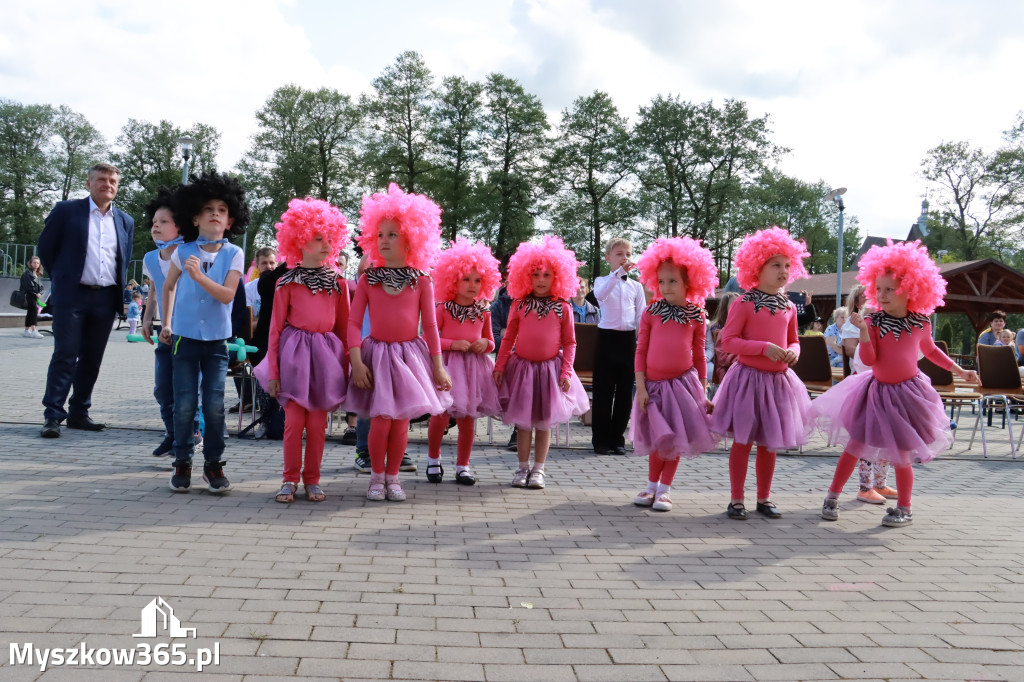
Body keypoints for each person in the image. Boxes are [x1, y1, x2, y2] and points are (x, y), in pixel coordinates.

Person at [815, 240, 979, 527]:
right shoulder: (874, 320)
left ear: (912, 288)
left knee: (902, 453)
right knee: (855, 444)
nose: (882, 294)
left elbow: (930, 351)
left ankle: (905, 508)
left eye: (890, 289)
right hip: (876, 392)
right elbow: (869, 359)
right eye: (879, 288)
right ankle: (832, 496)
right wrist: (864, 331)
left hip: (908, 393)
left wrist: (959, 370)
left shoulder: (921, 322)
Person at [346, 184, 453, 502]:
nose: (384, 240)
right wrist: (355, 360)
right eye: (380, 235)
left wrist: (438, 366)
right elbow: (353, 322)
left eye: (392, 234)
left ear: (412, 237)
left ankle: (394, 477)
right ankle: (376, 477)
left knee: (401, 422)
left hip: (409, 358)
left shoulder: (422, 280)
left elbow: (431, 326)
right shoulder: (368, 279)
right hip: (375, 356)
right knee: (379, 422)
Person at [711, 226, 813, 520]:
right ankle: (736, 499)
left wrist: (795, 351)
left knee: (770, 443)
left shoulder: (789, 307)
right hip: (748, 381)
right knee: (743, 441)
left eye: (787, 266)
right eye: (776, 265)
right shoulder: (744, 303)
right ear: (757, 266)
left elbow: (794, 338)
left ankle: (764, 498)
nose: (783, 271)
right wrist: (762, 347)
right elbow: (727, 341)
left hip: (779, 383)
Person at [253, 198, 351, 503]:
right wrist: (274, 372)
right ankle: (289, 478)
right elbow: (275, 330)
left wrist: (347, 367)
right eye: (318, 238)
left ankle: (312, 479)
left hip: (325, 360)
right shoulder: (286, 282)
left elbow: (345, 329)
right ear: (299, 239)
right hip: (294, 357)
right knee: (294, 423)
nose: (326, 245)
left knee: (319, 424)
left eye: (329, 240)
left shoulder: (339, 283)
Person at [159, 172, 249, 494]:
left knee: (213, 403)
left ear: (230, 220)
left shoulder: (234, 254)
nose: (215, 213)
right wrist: (165, 321)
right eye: (208, 208)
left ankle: (213, 464)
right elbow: (167, 287)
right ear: (194, 217)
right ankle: (182, 460)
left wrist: (197, 277)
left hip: (216, 342)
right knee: (183, 403)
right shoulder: (183, 252)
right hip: (183, 337)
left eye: (222, 209)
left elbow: (227, 295)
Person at [37, 163, 135, 438]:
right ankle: (53, 415)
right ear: (89, 183)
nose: (108, 184)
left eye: (113, 180)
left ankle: (79, 413)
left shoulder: (125, 220)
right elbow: (46, 248)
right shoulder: (66, 211)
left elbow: (122, 259)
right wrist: (62, 277)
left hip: (105, 297)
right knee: (65, 354)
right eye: (102, 179)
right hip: (72, 296)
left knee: (92, 359)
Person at [493, 235, 590, 489]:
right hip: (523, 370)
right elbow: (509, 337)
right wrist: (500, 366)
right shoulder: (520, 304)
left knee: (544, 422)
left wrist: (566, 371)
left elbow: (570, 342)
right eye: (535, 275)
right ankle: (522, 467)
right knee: (524, 423)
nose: (541, 280)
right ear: (525, 275)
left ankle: (539, 469)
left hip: (550, 371)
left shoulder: (563, 307)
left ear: (557, 276)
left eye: (546, 275)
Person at [629, 237, 719, 512]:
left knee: (676, 439)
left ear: (689, 282)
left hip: (683, 387)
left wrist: (702, 391)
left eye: (673, 282)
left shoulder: (696, 315)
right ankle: (651, 485)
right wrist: (641, 387)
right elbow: (641, 350)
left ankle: (665, 490)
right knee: (659, 439)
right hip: (653, 388)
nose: (666, 287)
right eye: (662, 281)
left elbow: (700, 355)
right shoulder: (651, 312)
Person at [426, 238, 503, 485]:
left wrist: (486, 345)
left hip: (473, 370)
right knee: (440, 416)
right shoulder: (442, 308)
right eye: (466, 279)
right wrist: (452, 343)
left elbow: (490, 341)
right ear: (452, 279)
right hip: (447, 367)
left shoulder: (484, 310)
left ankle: (463, 466)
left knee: (467, 419)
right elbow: (429, 337)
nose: (472, 285)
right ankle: (432, 460)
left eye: (477, 280)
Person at [140, 186, 190, 457]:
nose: (156, 226)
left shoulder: (190, 254)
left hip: (190, 331)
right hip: (165, 331)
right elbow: (155, 290)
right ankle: (171, 433)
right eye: (154, 222)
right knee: (162, 387)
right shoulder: (150, 258)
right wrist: (147, 319)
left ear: (179, 226)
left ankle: (192, 433)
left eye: (164, 222)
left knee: (188, 387)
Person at [840, 283, 896, 504]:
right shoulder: (854, 326)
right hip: (864, 383)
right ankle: (865, 486)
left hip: (886, 383)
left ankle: (880, 483)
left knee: (887, 437)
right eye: (868, 297)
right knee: (867, 437)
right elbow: (853, 351)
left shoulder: (886, 323)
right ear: (858, 301)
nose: (876, 298)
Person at [591, 237, 646, 455]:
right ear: (608, 258)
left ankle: (617, 439)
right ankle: (600, 440)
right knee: (604, 392)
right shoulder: (601, 281)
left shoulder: (636, 286)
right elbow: (600, 295)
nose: (625, 258)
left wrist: (642, 343)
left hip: (627, 341)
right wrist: (617, 275)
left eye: (628, 254)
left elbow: (641, 316)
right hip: (606, 340)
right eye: (619, 254)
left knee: (625, 393)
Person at [708, 291, 740, 395]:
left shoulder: (745, 328)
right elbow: (721, 358)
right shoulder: (719, 330)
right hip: (726, 369)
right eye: (734, 305)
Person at [244, 246, 278, 317]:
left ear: (277, 265)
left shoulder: (285, 287)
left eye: (272, 263)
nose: (268, 267)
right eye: (264, 263)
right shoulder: (248, 289)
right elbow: (248, 323)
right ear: (257, 267)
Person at [20, 256, 46, 338]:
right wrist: (36, 293)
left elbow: (41, 287)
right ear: (30, 263)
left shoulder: (37, 274)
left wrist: (40, 293)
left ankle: (26, 330)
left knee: (30, 312)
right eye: (34, 262)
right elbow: (28, 286)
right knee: (34, 311)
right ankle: (34, 330)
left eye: (38, 263)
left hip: (35, 296)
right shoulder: (27, 273)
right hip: (29, 295)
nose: (36, 264)